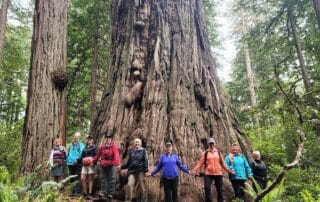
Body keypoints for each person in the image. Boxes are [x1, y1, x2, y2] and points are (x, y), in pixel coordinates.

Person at [191, 138, 234, 202]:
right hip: (208, 173)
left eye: (212, 143)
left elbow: (223, 164)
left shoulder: (218, 152)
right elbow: (200, 163)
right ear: (208, 144)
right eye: (210, 143)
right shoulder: (205, 153)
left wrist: (229, 171)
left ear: (214, 144)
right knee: (207, 188)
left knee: (219, 189)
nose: (211, 144)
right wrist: (194, 170)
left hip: (218, 173)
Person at [92, 132, 120, 199]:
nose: (108, 139)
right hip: (103, 164)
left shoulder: (113, 146)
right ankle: (103, 192)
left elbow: (116, 154)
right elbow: (98, 154)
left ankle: (111, 193)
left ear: (111, 139)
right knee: (103, 179)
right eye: (107, 138)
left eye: (109, 138)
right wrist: (93, 161)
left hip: (111, 164)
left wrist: (116, 163)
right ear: (105, 139)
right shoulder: (102, 146)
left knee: (112, 179)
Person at [121, 138, 148, 202]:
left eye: (138, 142)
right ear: (134, 144)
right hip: (132, 171)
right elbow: (129, 163)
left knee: (142, 186)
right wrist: (122, 167)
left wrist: (146, 170)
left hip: (140, 170)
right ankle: (128, 200)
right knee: (129, 185)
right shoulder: (132, 152)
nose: (137, 143)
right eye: (136, 142)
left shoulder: (143, 151)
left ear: (140, 143)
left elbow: (145, 160)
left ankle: (144, 200)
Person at [66, 132, 85, 196]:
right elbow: (68, 153)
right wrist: (67, 160)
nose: (76, 138)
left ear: (79, 137)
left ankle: (77, 192)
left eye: (78, 137)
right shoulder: (71, 145)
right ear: (73, 137)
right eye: (75, 136)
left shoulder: (81, 145)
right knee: (71, 177)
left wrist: (77, 160)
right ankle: (71, 191)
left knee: (77, 177)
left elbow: (82, 153)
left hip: (78, 163)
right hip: (70, 163)